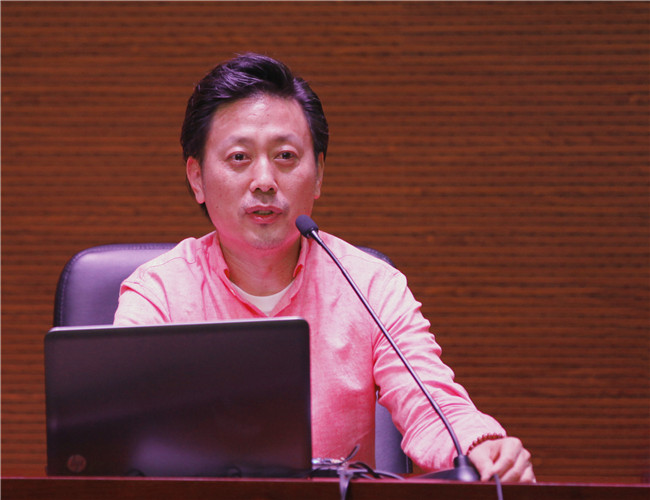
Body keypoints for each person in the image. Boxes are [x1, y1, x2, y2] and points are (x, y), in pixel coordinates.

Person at [114, 52, 535, 482]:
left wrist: (478, 445)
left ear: (317, 175)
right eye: (239, 157)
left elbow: (429, 404)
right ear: (197, 178)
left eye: (285, 156)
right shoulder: (158, 292)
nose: (264, 181)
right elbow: (119, 429)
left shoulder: (369, 286)